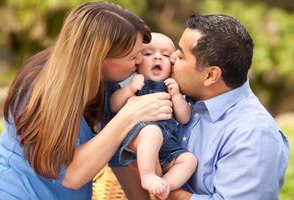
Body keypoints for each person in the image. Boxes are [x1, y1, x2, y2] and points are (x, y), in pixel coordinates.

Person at [0, 2, 174, 199]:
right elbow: (71, 175)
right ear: (99, 57)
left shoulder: (107, 85)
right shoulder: (38, 88)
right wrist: (129, 115)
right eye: (133, 56)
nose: (140, 60)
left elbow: (114, 152)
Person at [113, 14, 290, 200]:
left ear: (210, 76)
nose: (171, 58)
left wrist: (170, 193)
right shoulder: (181, 94)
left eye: (181, 55)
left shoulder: (252, 134)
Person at [109, 32, 197, 199]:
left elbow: (184, 117)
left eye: (165, 55)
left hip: (167, 144)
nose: (157, 58)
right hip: (138, 135)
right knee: (152, 132)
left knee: (189, 160)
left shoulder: (174, 86)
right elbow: (114, 105)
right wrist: (129, 90)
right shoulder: (132, 80)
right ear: (137, 61)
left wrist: (177, 96)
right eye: (149, 54)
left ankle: (165, 186)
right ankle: (148, 176)